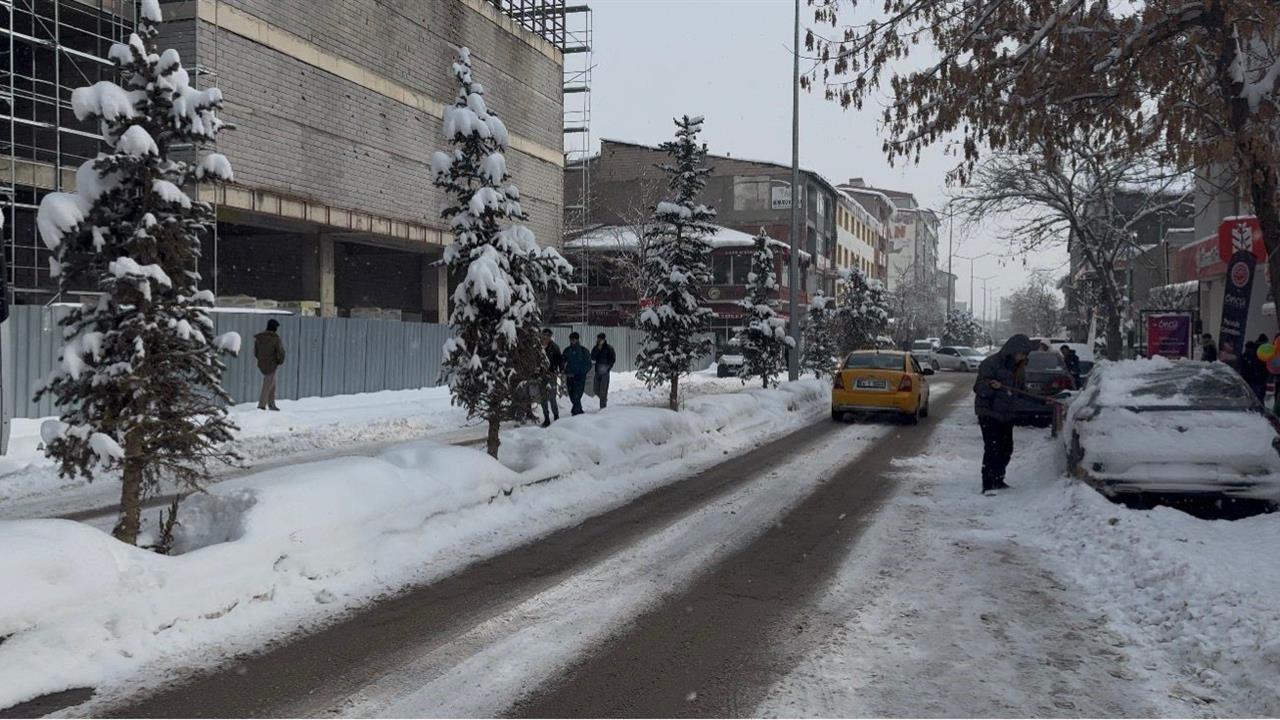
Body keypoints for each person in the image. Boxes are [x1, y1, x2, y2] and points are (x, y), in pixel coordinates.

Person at [973, 334, 1035, 496]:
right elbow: (978, 387)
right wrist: (990, 385)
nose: (1023, 357)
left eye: (1025, 354)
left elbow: (1021, 392)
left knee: (1007, 448)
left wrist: (1042, 402)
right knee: (992, 448)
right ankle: (988, 484)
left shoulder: (1018, 369)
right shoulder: (991, 363)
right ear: (1013, 350)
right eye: (1022, 353)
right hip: (989, 412)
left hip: (1007, 414)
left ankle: (998, 479)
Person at [253, 319, 286, 411]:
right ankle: (261, 405)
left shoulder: (259, 338)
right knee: (267, 384)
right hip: (272, 364)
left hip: (261, 363)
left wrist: (261, 359)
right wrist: (279, 361)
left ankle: (271, 404)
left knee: (272, 384)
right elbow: (280, 352)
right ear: (274, 328)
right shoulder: (275, 339)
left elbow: (256, 352)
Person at [562, 331, 592, 416]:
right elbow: (562, 362)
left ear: (577, 340)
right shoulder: (567, 350)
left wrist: (580, 372)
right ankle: (579, 411)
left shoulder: (583, 351)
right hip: (570, 377)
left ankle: (576, 413)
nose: (572, 341)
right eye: (571, 339)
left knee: (577, 395)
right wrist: (564, 370)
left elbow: (588, 365)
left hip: (580, 377)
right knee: (571, 395)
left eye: (574, 339)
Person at [539, 329, 563, 427]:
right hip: (541, 375)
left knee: (552, 397)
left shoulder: (554, 347)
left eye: (547, 335)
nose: (545, 337)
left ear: (550, 337)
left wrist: (559, 371)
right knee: (543, 398)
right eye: (543, 335)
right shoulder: (538, 347)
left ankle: (556, 417)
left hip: (551, 374)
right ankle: (546, 418)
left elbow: (560, 361)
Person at [590, 332, 617, 409]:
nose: (599, 340)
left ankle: (603, 408)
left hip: (605, 372)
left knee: (603, 390)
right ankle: (604, 399)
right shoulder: (595, 348)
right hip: (597, 371)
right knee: (596, 390)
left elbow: (613, 359)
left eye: (601, 339)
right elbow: (592, 357)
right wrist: (598, 349)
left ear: (604, 340)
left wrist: (608, 368)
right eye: (598, 339)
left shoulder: (609, 348)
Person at [1241, 339, 1268, 403]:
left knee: (1254, 398)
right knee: (1257, 399)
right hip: (1256, 381)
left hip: (1253, 381)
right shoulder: (1259, 356)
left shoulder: (1249, 356)